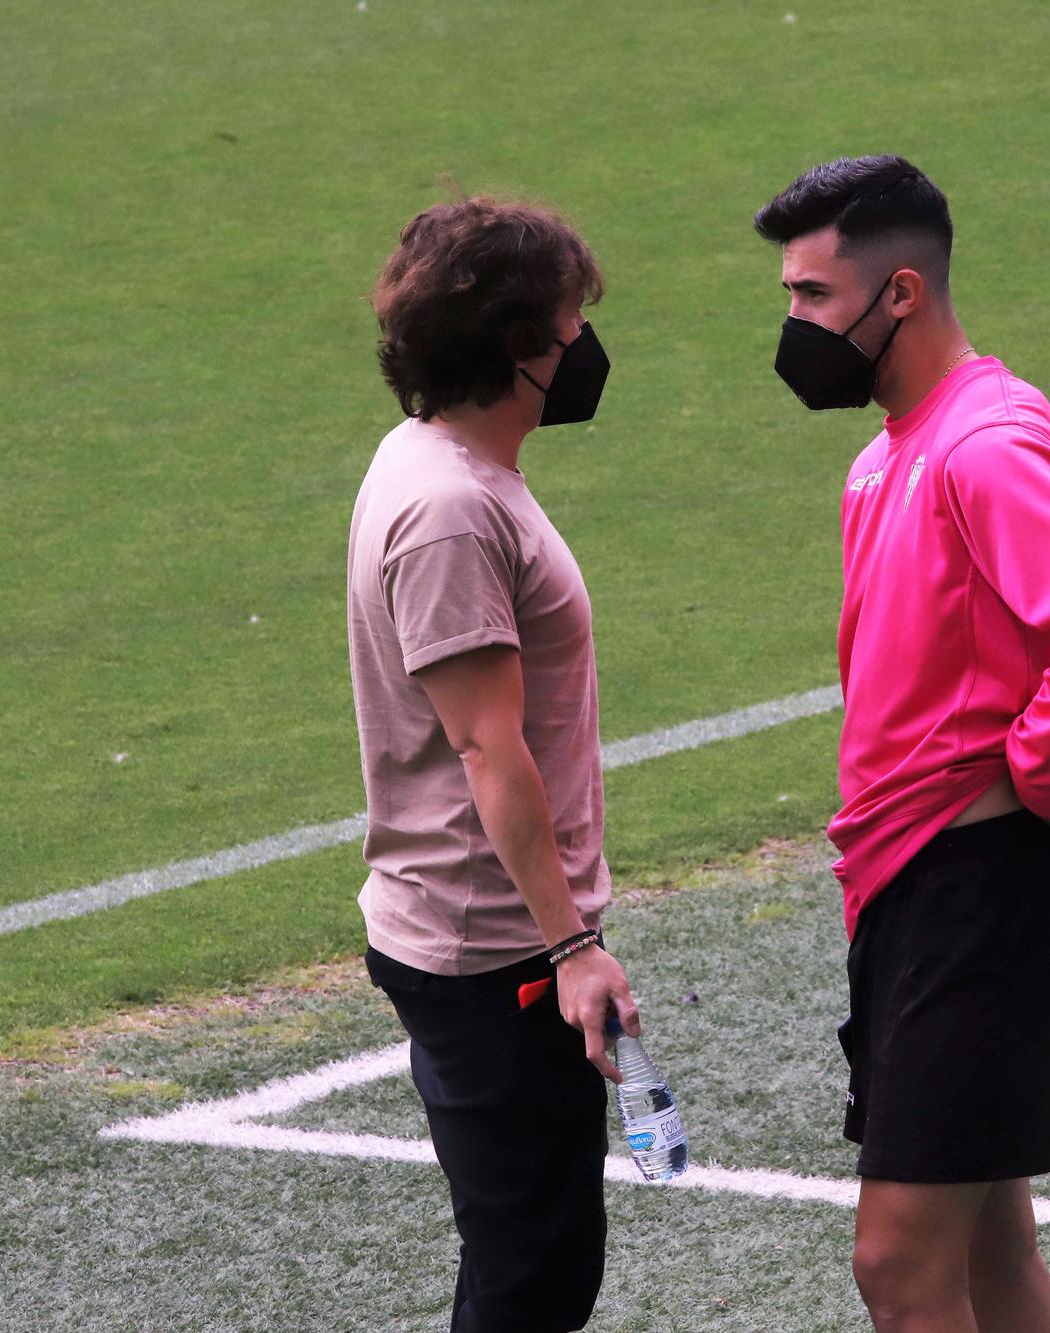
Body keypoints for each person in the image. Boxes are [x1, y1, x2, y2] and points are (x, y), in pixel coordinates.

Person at [753, 156, 1050, 1332]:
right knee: (994, 1252)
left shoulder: (979, 444)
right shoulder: (883, 456)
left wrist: (1042, 770)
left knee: (896, 1262)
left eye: (810, 298)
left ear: (898, 294)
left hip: (977, 899)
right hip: (905, 892)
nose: (792, 329)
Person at [348, 193, 639, 1331]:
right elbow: (484, 744)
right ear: (521, 343)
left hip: (489, 929)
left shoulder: (436, 465)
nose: (585, 344)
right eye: (571, 322)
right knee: (531, 1275)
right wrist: (571, 945)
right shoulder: (451, 513)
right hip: (489, 946)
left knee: (532, 1257)